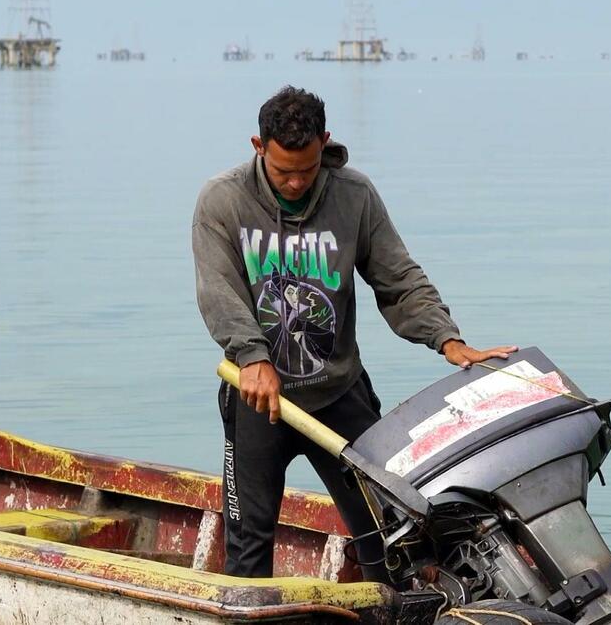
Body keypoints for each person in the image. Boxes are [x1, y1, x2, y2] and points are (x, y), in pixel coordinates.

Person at [192, 86, 516, 579]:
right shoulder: (223, 200)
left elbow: (399, 278)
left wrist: (447, 340)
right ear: (258, 147)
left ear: (325, 142)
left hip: (340, 396)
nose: (298, 182)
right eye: (284, 171)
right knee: (247, 552)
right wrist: (252, 356)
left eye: (309, 167)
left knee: (391, 539)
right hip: (258, 400)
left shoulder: (354, 195)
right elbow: (219, 293)